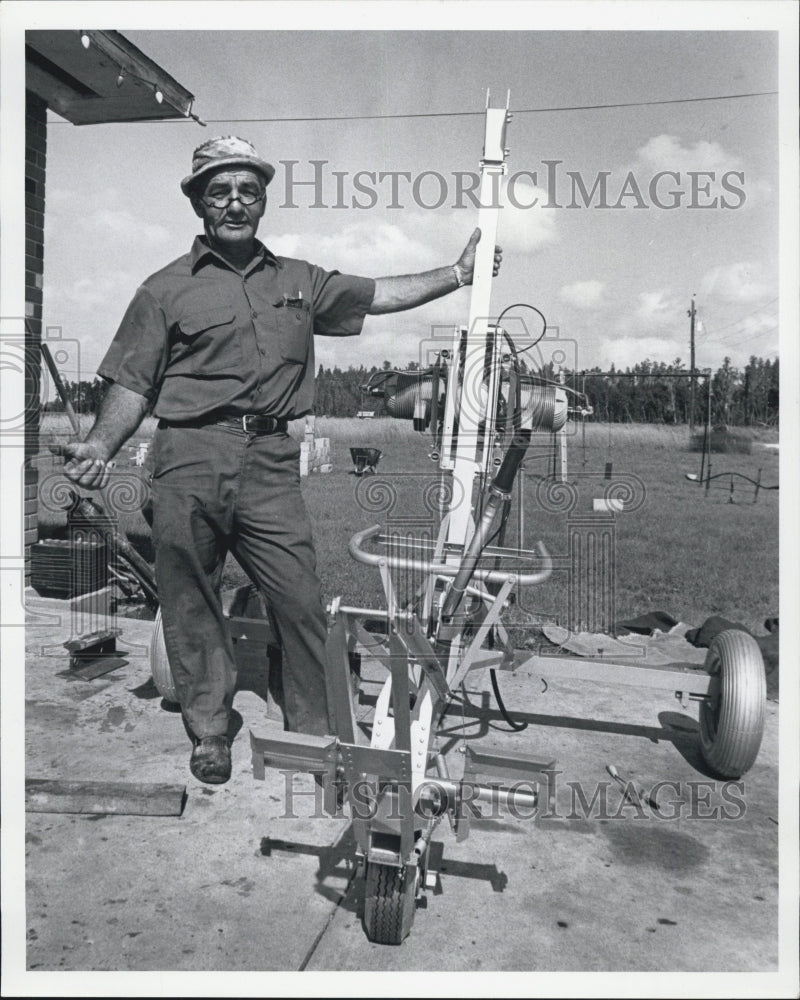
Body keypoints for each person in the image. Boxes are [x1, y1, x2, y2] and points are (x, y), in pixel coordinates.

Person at [60, 136, 502, 784]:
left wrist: (458, 274)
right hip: (189, 453)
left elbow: (379, 293)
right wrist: (102, 445)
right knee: (191, 597)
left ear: (263, 199)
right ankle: (209, 729)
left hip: (270, 457)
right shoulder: (162, 290)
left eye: (247, 189)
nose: (234, 201)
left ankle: (320, 735)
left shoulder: (300, 281)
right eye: (219, 190)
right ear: (198, 202)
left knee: (298, 597)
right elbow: (132, 383)